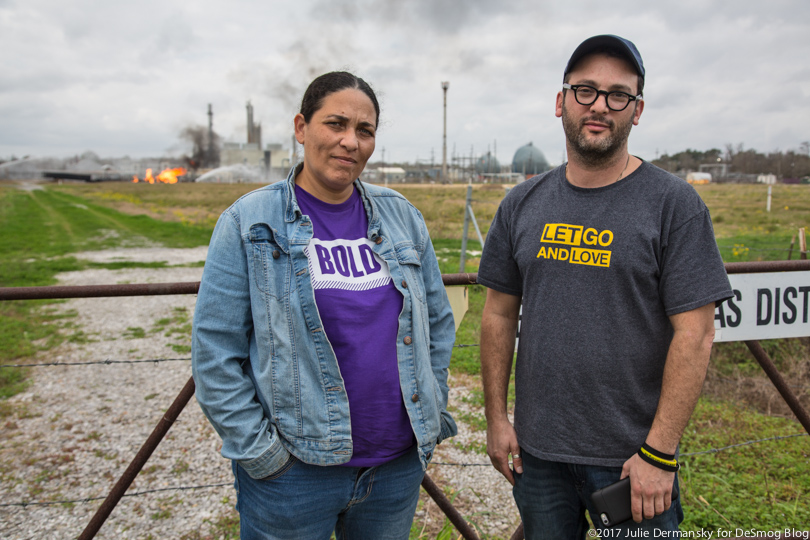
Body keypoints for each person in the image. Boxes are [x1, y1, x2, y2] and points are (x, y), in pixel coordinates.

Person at [478, 35, 733, 538]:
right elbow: (498, 315)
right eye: (586, 90)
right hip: (540, 459)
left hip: (630, 466)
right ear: (561, 101)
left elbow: (696, 334)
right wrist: (495, 419)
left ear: (636, 111)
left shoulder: (674, 205)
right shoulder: (521, 204)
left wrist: (658, 453)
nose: (600, 105)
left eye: (619, 95)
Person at [192, 71, 457, 540]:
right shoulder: (249, 221)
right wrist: (263, 455)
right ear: (301, 128)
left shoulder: (402, 217)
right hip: (295, 475)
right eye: (335, 124)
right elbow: (215, 350)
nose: (349, 142)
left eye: (364, 130)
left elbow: (436, 321)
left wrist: (430, 417)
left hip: (394, 470)